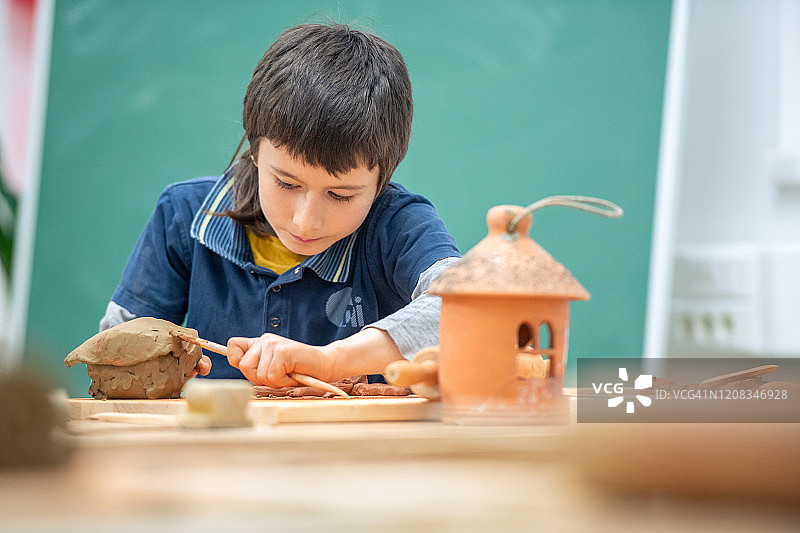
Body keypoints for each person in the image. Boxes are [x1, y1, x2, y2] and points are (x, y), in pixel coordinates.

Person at [100, 23, 461, 388]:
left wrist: (331, 360)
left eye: (341, 195)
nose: (305, 222)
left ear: (383, 178)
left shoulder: (399, 224)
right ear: (255, 151)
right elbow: (113, 349)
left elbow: (466, 307)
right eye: (287, 183)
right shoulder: (185, 214)